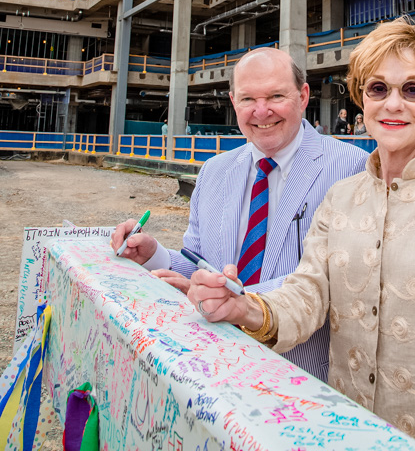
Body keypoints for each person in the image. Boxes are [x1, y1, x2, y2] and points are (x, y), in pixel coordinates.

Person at [189, 20, 415, 451]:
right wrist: (245, 307)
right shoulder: (342, 196)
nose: (393, 104)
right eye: (378, 89)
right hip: (344, 433)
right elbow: (307, 295)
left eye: (412, 90)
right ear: (362, 100)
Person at [111, 47, 368, 381]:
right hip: (216, 365)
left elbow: (338, 282)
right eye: (248, 99)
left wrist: (240, 303)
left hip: (301, 375)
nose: (261, 112)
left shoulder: (352, 169)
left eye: (276, 95)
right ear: (233, 102)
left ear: (304, 96)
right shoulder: (214, 171)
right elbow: (202, 264)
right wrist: (155, 255)